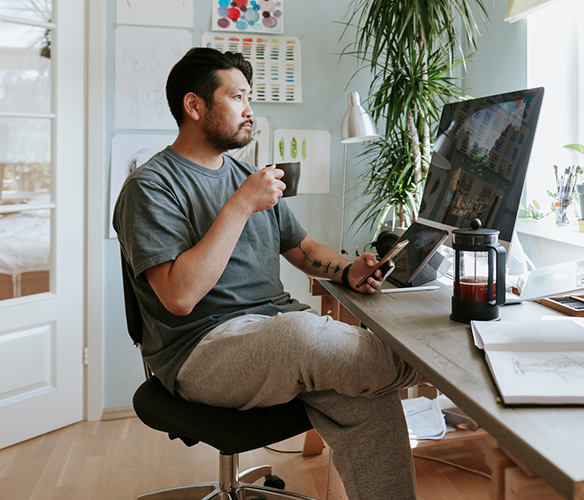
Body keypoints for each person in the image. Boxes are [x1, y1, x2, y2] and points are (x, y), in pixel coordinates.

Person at [113, 48, 422, 500]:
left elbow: (304, 249)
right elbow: (180, 297)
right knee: (306, 335)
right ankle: (434, 364)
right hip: (201, 350)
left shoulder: (245, 175)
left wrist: (349, 270)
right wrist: (239, 204)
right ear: (194, 106)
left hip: (274, 335)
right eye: (236, 96)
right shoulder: (151, 186)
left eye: (250, 96)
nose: (249, 109)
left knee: (366, 395)